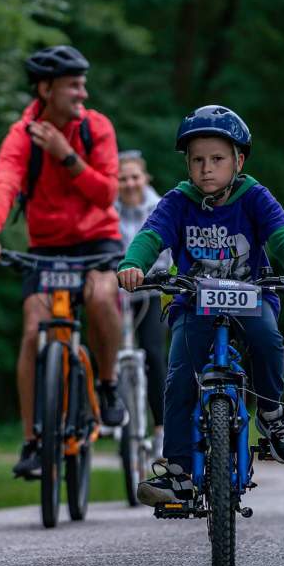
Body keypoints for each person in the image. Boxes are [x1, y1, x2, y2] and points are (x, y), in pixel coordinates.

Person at [117, 105, 284, 507]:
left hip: (251, 296)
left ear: (238, 161)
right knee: (179, 374)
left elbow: (281, 234)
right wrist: (132, 264)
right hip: (195, 302)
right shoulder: (178, 200)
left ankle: (271, 416)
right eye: (197, 160)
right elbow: (151, 235)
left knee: (268, 340)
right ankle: (177, 470)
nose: (206, 169)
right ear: (187, 164)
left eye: (217, 159)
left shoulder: (254, 197)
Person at [0, 45, 125, 478]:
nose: (84, 93)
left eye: (83, 83)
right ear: (46, 89)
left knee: (100, 298)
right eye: (74, 85)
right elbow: (5, 182)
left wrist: (67, 155)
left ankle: (108, 384)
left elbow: (107, 193)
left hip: (98, 241)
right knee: (32, 330)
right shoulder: (21, 134)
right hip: (46, 249)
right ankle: (33, 440)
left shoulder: (97, 128)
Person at [115, 150, 170, 460]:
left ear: (145, 178)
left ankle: (162, 427)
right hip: (117, 295)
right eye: (122, 178)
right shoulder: (108, 210)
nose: (130, 183)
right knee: (109, 351)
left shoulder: (160, 207)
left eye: (134, 176)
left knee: (153, 354)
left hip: (150, 292)